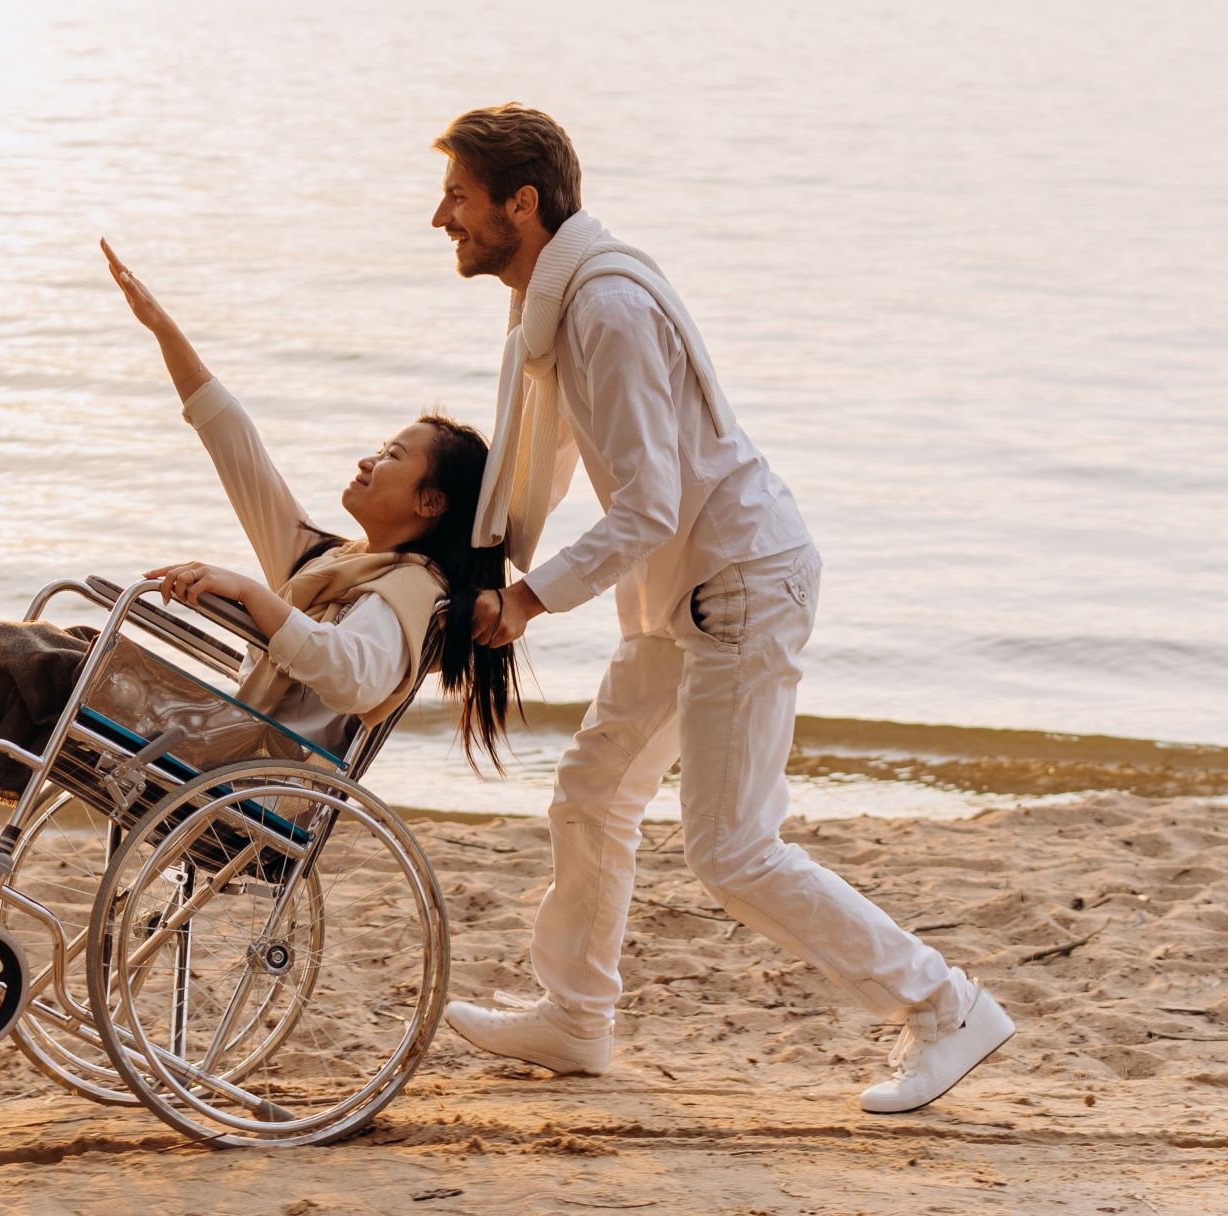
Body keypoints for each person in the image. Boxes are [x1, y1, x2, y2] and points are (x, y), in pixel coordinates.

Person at [428, 103, 1013, 1115]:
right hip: (683, 596)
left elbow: (650, 501)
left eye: (459, 197)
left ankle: (946, 1005)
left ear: (521, 204)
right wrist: (476, 560)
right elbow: (559, 462)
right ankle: (575, 1018)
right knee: (592, 791)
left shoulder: (603, 310)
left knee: (733, 848)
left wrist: (528, 597)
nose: (442, 216)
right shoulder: (556, 309)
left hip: (741, 583)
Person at [0, 240, 520, 903]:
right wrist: (163, 331)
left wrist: (250, 592)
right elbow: (238, 451)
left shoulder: (408, 594)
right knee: (0, 652)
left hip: (239, 785)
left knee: (34, 651)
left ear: (432, 502)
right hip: (209, 751)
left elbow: (353, 679)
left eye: (393, 456)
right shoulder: (336, 564)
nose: (369, 460)